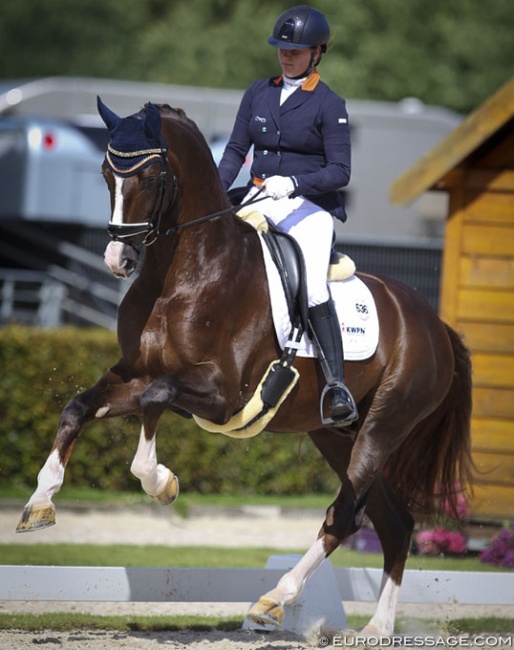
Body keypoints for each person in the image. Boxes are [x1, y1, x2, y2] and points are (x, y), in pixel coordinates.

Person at [218, 5, 358, 426]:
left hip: (309, 207)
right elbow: (234, 152)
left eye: (295, 50)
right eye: (281, 48)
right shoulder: (257, 92)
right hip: (258, 197)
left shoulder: (329, 104)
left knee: (313, 284)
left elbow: (340, 171)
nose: (285, 55)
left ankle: (336, 385)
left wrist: (295, 184)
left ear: (317, 53)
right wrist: (213, 193)